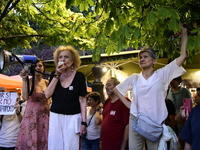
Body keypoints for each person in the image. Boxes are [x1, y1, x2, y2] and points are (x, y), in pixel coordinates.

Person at [113, 26, 188, 150]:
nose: (142, 59)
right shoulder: (134, 77)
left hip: (155, 121)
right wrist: (128, 104)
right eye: (140, 57)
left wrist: (184, 33)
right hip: (136, 119)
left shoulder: (162, 74)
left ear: (154, 60)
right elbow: (117, 89)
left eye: (145, 57)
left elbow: (183, 56)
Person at [44, 45, 87, 150]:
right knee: (55, 146)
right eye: (60, 57)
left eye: (66, 57)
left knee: (71, 146)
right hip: (56, 115)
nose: (63, 59)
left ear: (73, 60)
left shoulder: (80, 76)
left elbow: (82, 100)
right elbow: (47, 94)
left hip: (73, 117)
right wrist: (57, 75)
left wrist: (84, 122)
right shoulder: (54, 74)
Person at [15, 60, 50, 150]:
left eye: (40, 65)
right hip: (32, 117)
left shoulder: (47, 82)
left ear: (43, 68)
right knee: (31, 142)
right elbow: (25, 96)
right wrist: (24, 79)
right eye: (35, 66)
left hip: (45, 116)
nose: (38, 68)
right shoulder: (29, 81)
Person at [101, 77, 130, 150]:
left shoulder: (124, 102)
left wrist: (123, 147)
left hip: (117, 145)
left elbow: (128, 126)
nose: (106, 87)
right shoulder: (107, 102)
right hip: (105, 145)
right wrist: (101, 142)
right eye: (106, 85)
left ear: (117, 86)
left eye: (109, 85)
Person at [167, 76, 192, 150]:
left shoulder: (185, 92)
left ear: (178, 81)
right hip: (171, 122)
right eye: (170, 79)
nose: (171, 81)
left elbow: (188, 107)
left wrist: (185, 119)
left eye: (173, 80)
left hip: (181, 122)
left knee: (181, 144)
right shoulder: (168, 91)